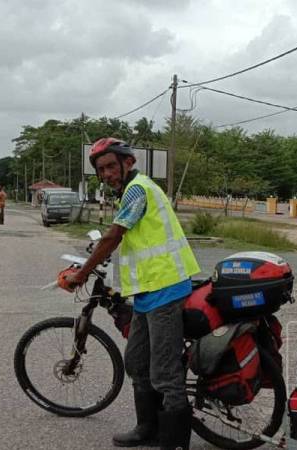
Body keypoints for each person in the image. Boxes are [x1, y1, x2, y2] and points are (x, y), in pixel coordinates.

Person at [64, 138, 200, 450]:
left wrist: (82, 273)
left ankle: (174, 442)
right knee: (138, 362)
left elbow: (114, 235)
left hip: (166, 288)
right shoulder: (132, 191)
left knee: (164, 373)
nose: (107, 173)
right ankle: (147, 428)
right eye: (101, 170)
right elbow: (126, 239)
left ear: (128, 162)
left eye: (112, 165)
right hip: (148, 291)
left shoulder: (139, 188)